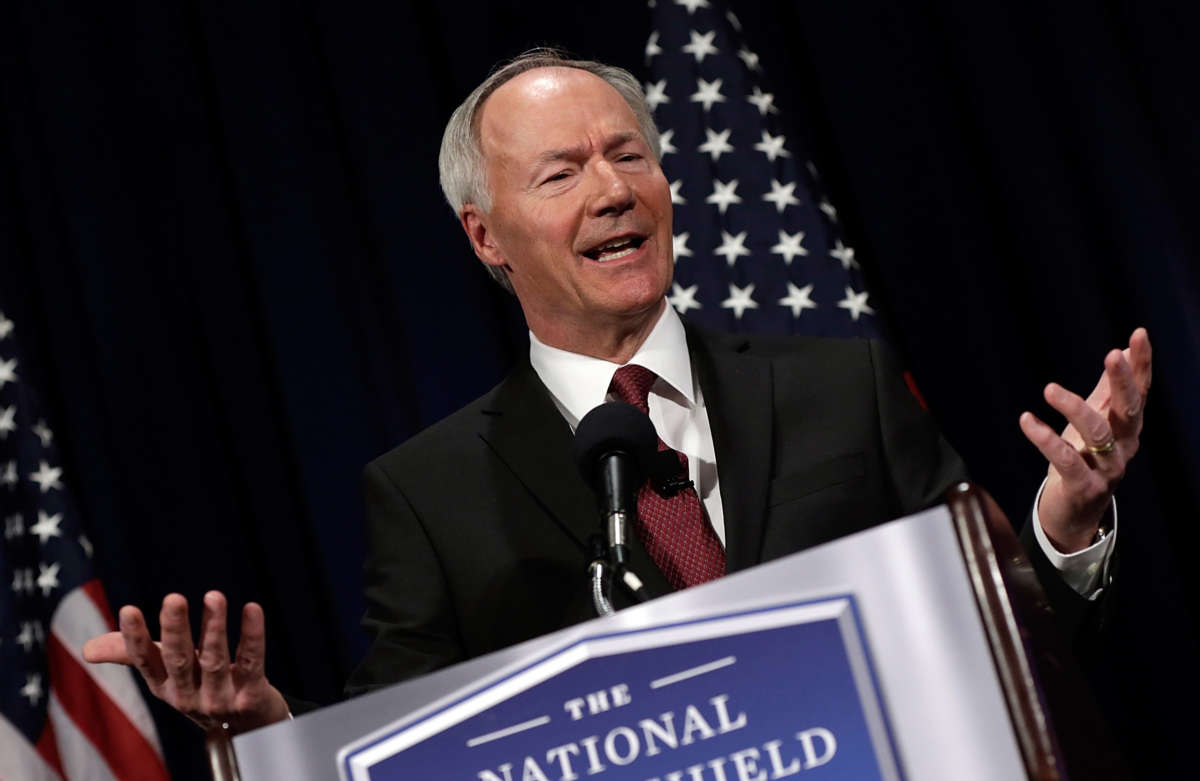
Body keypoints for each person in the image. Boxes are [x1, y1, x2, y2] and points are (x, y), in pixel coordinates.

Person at [82, 50, 1152, 736]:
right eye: (561, 173)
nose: (611, 190)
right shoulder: (430, 493)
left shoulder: (843, 388)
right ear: (486, 236)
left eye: (627, 154)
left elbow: (1010, 644)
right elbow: (399, 741)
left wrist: (1066, 526)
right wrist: (268, 722)